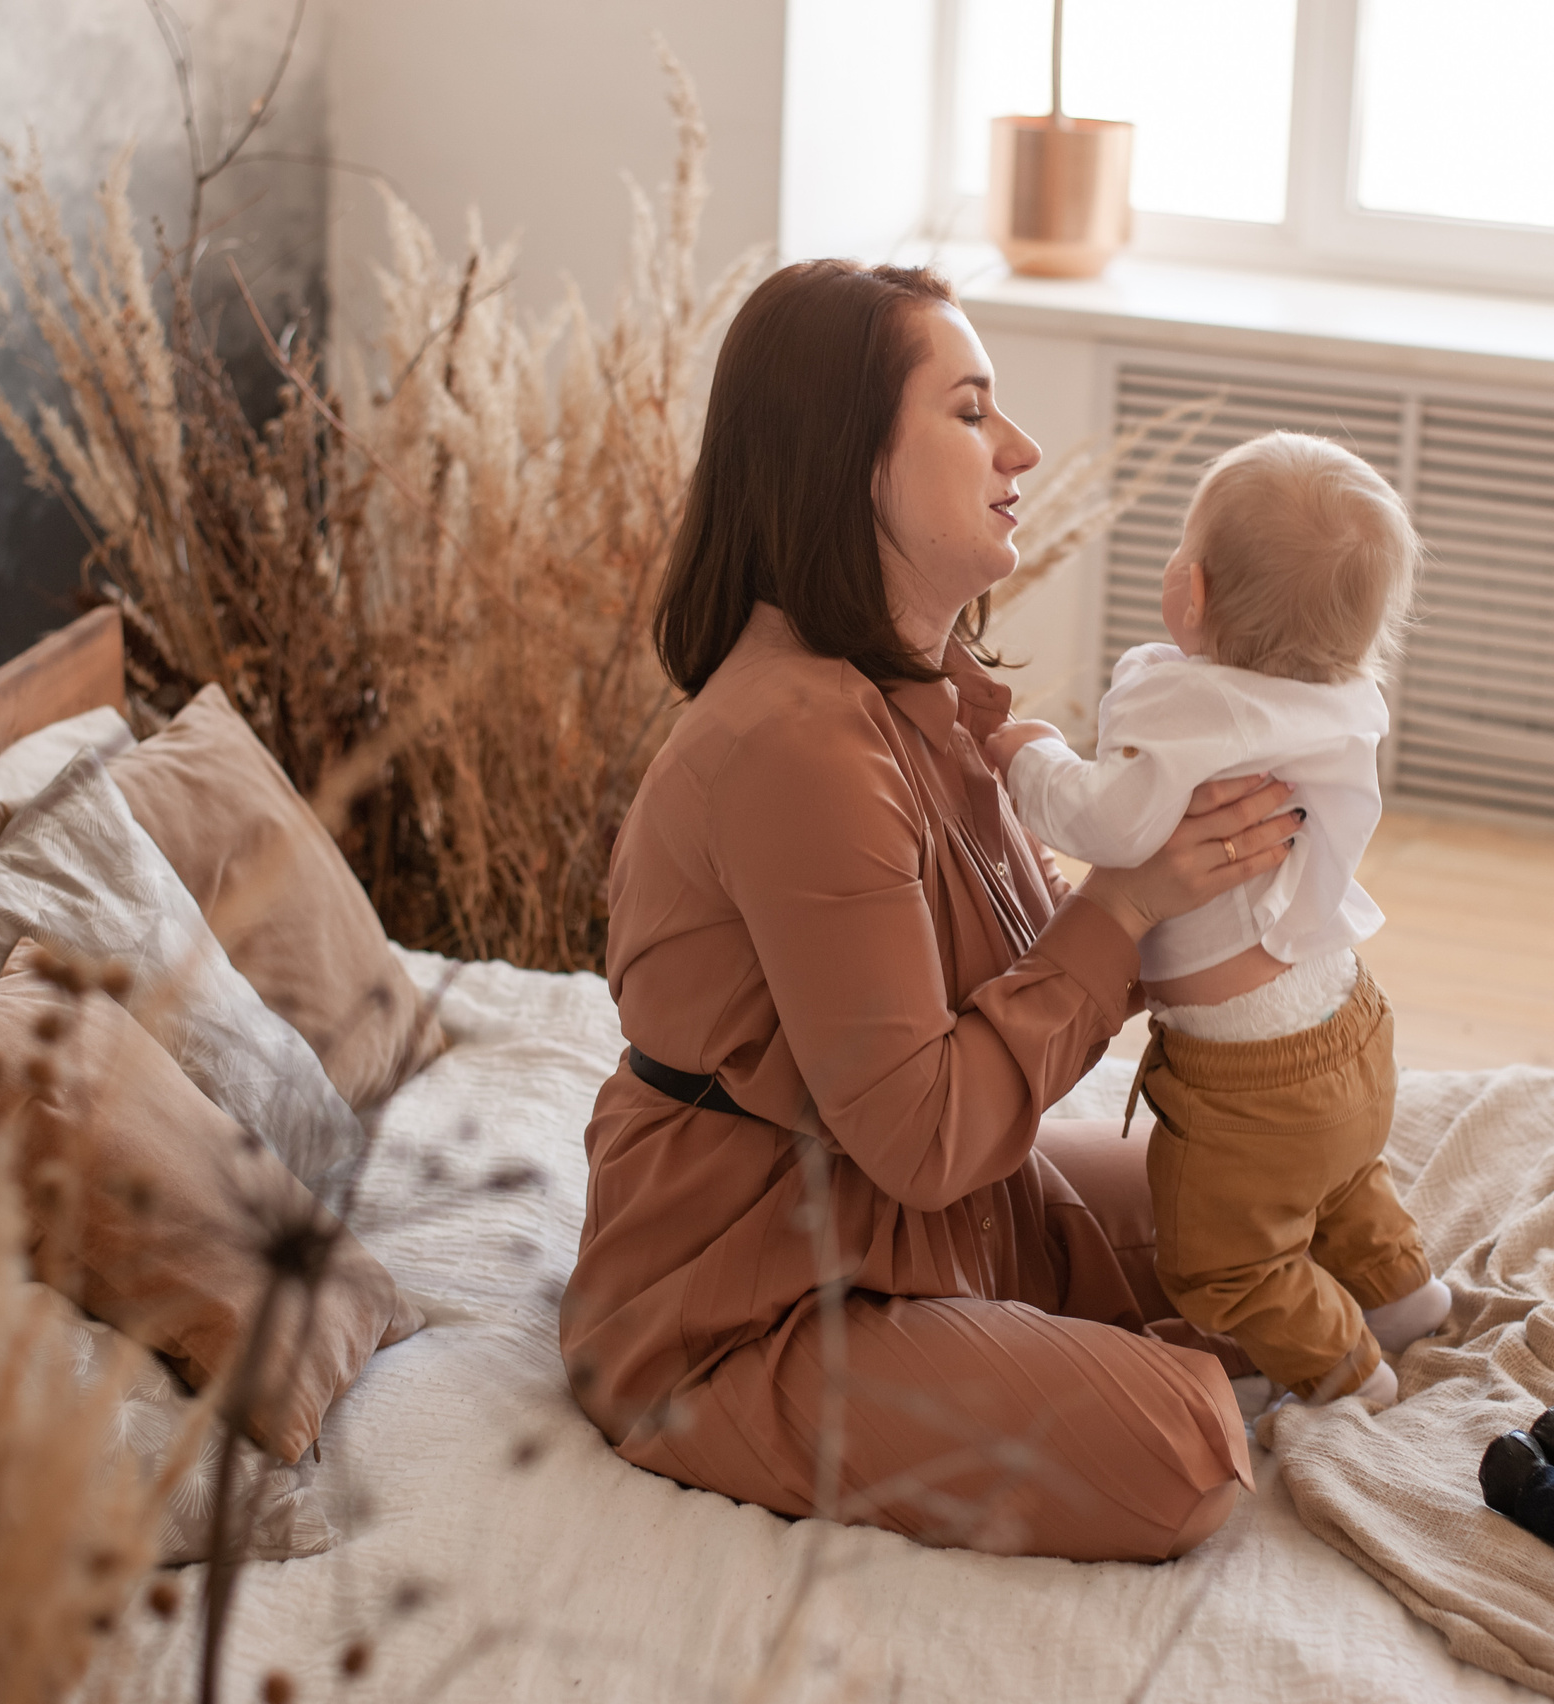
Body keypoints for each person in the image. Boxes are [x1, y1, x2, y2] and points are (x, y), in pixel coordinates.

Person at [558, 260, 1305, 1564]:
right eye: (969, 413)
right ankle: (1027, 1362)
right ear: (853, 462)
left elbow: (1017, 975)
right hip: (753, 1300)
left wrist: (1181, 879)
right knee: (1180, 1451)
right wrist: (1125, 905)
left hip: (930, 1217)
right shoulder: (798, 743)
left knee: (1287, 1240)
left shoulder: (930, 693)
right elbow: (927, 1133)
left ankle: (1024, 1342)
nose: (1018, 450)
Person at [984, 432, 1452, 1414]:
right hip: (1350, 1026)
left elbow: (1107, 817)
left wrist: (1027, 754)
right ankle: (1409, 1301)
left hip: (1253, 1083)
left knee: (1219, 1260)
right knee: (1336, 1183)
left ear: (1188, 595)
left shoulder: (1188, 705)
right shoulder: (1333, 698)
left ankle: (1350, 1378)